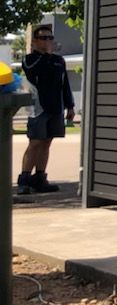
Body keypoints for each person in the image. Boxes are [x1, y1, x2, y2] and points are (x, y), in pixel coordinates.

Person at [16, 25, 74, 195]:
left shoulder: (59, 60)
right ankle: (25, 178)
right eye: (43, 38)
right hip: (38, 108)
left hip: (56, 107)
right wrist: (45, 55)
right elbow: (33, 71)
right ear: (34, 41)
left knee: (47, 142)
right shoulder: (30, 59)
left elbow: (65, 84)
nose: (47, 41)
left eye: (50, 38)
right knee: (35, 142)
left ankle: (40, 177)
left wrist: (70, 105)